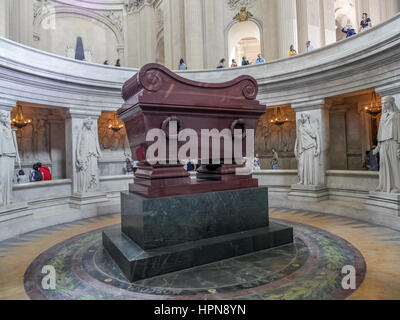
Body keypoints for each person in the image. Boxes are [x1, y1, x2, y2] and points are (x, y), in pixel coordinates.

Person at [373, 96, 400, 193]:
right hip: (383, 142)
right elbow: (380, 131)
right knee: (383, 164)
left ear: (391, 103)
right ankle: (383, 185)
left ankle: (397, 186)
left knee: (395, 164)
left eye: (385, 103)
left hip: (393, 141)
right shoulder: (383, 116)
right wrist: (378, 145)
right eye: (382, 103)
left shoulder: (397, 115)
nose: (383, 105)